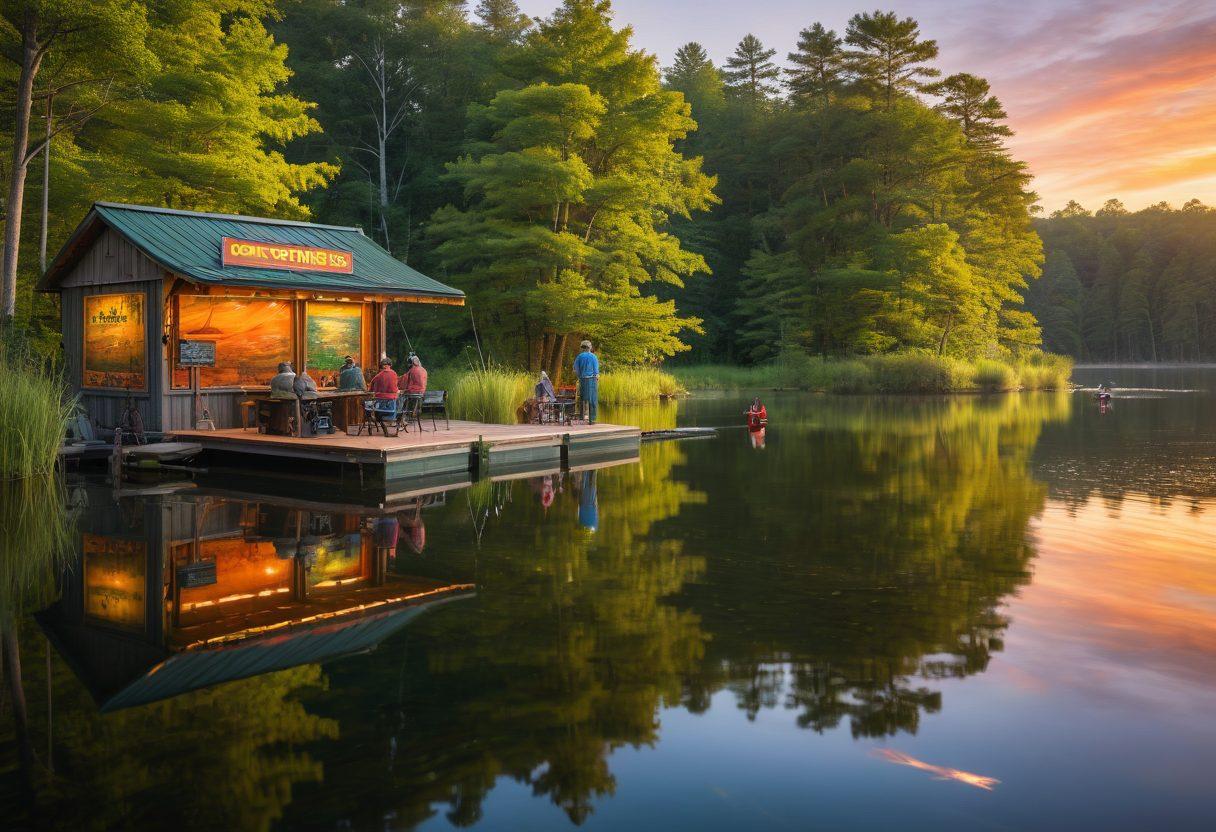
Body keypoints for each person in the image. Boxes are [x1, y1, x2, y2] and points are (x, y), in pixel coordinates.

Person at [573, 340, 599, 424]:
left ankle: (581, 418)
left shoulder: (579, 357)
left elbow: (576, 369)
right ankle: (592, 420)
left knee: (582, 399)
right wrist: (597, 377)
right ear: (589, 347)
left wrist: (580, 376)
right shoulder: (593, 357)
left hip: (582, 379)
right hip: (592, 379)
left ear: (582, 348)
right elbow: (596, 370)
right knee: (592, 399)